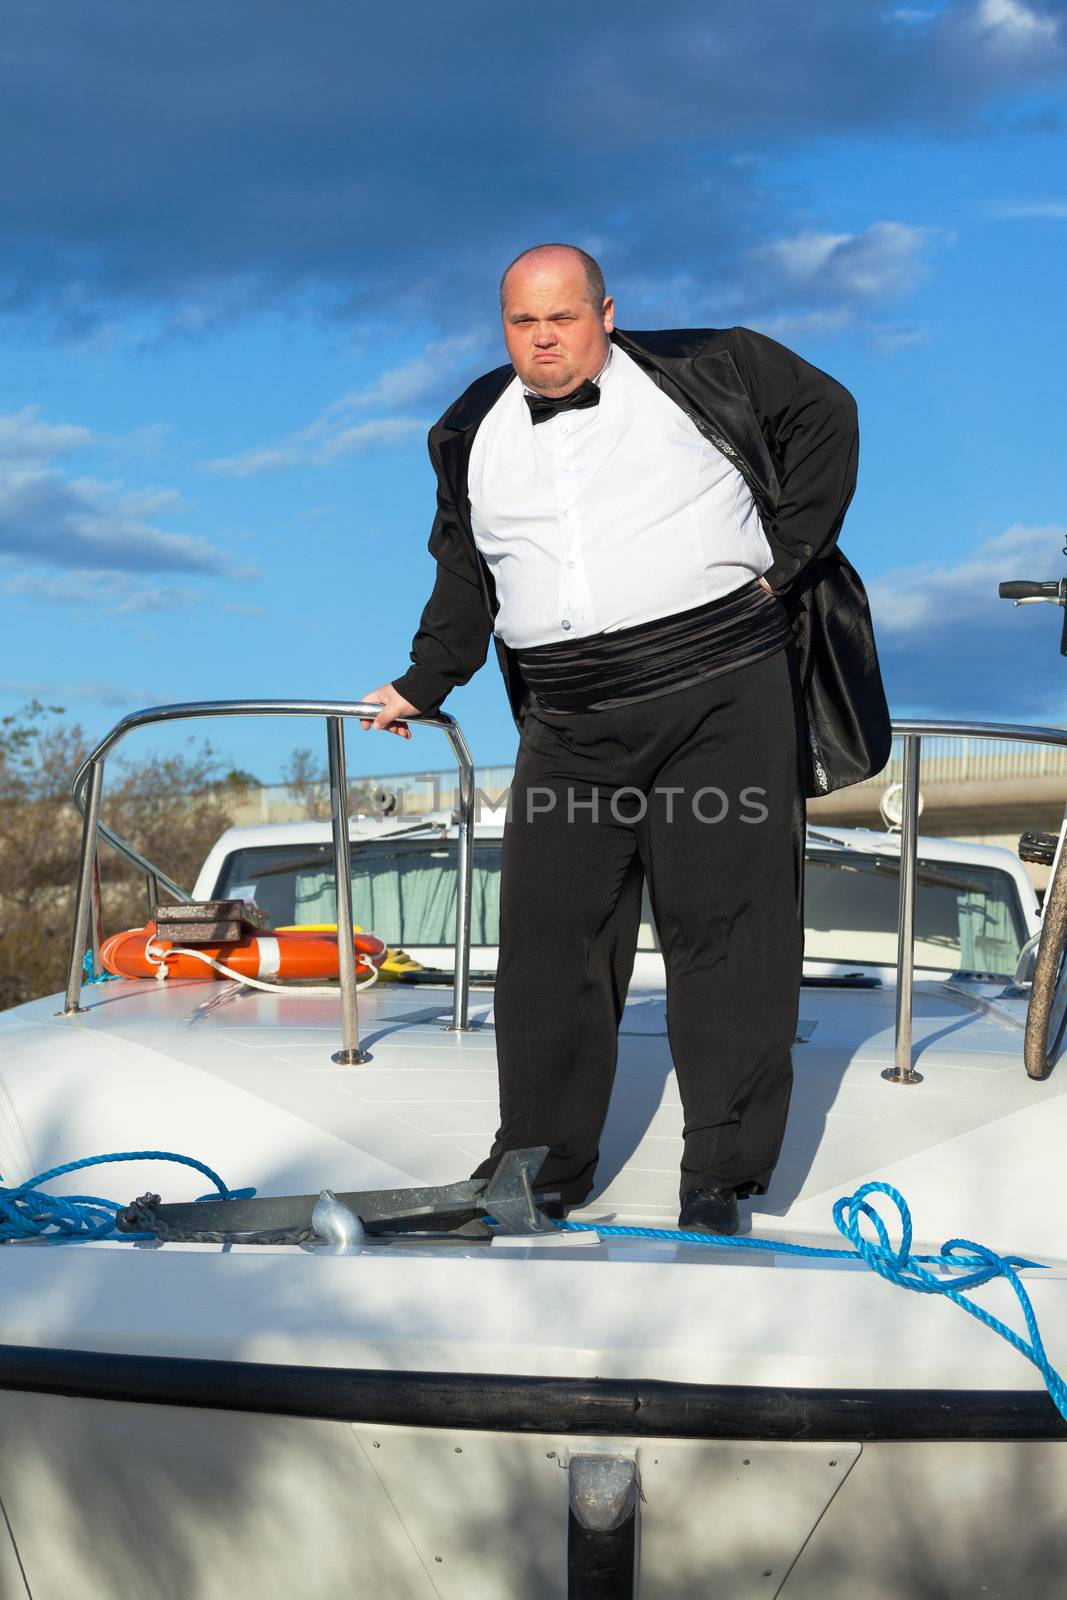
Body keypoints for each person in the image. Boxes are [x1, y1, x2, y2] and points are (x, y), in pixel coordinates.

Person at [359, 243, 891, 1234]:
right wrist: (426, 678)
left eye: (562, 316)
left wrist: (784, 562)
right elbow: (466, 569)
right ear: (503, 327)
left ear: (605, 311)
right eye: (523, 322)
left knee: (723, 930)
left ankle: (720, 1177)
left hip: (717, 692)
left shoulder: (711, 370)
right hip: (567, 721)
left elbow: (830, 417)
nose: (544, 336)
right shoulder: (468, 428)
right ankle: (537, 1169)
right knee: (547, 940)